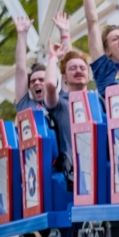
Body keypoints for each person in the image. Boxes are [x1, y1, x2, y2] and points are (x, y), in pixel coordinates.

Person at [42, 43, 92, 179]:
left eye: (82, 68)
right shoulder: (60, 105)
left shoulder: (98, 101)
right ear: (64, 78)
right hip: (75, 173)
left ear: (88, 75)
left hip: (101, 166)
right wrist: (53, 58)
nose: (78, 71)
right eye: (72, 69)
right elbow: (50, 85)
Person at [11, 16, 46, 113]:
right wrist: (22, 35)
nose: (36, 83)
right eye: (33, 81)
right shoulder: (26, 105)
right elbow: (20, 70)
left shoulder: (60, 103)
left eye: (42, 79)